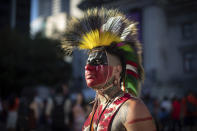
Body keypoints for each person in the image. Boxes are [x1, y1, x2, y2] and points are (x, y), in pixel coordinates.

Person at [62, 8, 156, 131]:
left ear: (118, 70)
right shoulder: (94, 111)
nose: (88, 67)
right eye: (88, 62)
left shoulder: (132, 108)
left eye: (97, 62)